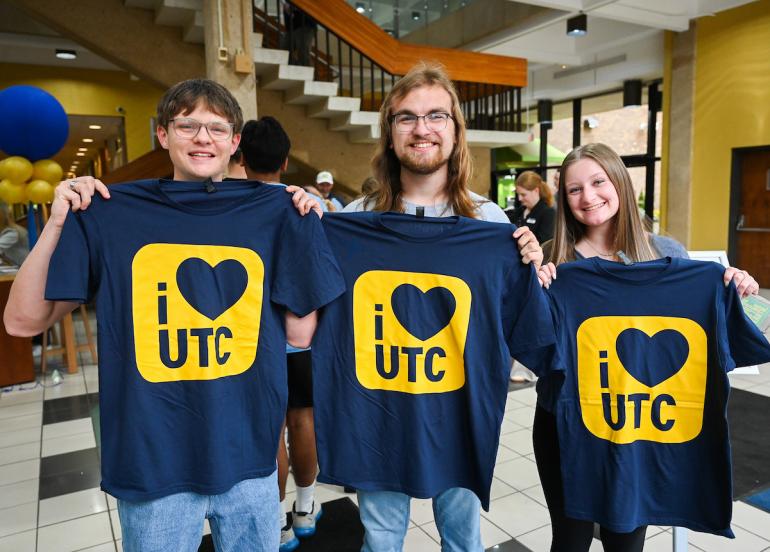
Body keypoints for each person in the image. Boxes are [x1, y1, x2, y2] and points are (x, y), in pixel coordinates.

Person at [3, 79, 338, 552]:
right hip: (152, 458)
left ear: (234, 142)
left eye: (217, 128)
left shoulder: (279, 213)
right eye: (188, 124)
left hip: (248, 453)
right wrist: (58, 221)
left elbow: (299, 334)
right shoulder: (110, 212)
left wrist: (305, 232)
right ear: (163, 134)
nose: (203, 137)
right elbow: (21, 322)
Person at [343, 61, 544, 552]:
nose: (422, 128)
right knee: (382, 537)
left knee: (462, 538)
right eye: (407, 117)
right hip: (378, 408)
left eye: (436, 115)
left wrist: (532, 268)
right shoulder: (354, 223)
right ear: (390, 133)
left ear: (456, 130)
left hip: (459, 408)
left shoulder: (491, 224)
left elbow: (523, 324)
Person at [535, 142, 759, 552]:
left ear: (619, 181)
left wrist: (734, 291)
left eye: (598, 181)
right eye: (574, 189)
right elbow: (533, 351)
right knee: (569, 538)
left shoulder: (666, 252)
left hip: (641, 420)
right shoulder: (554, 261)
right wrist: (535, 297)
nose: (588, 197)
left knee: (626, 534)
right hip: (567, 420)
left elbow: (700, 324)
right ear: (565, 199)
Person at [239, 115, 324, 552]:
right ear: (286, 160)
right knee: (303, 419)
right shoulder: (309, 205)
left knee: (270, 432)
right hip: (301, 340)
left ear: (240, 159)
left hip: (253, 341)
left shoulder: (232, 207)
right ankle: (306, 508)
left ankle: (275, 525)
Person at [508, 171, 556, 252]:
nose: (519, 199)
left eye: (523, 195)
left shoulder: (548, 213)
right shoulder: (520, 211)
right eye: (518, 194)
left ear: (536, 191)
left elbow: (544, 244)